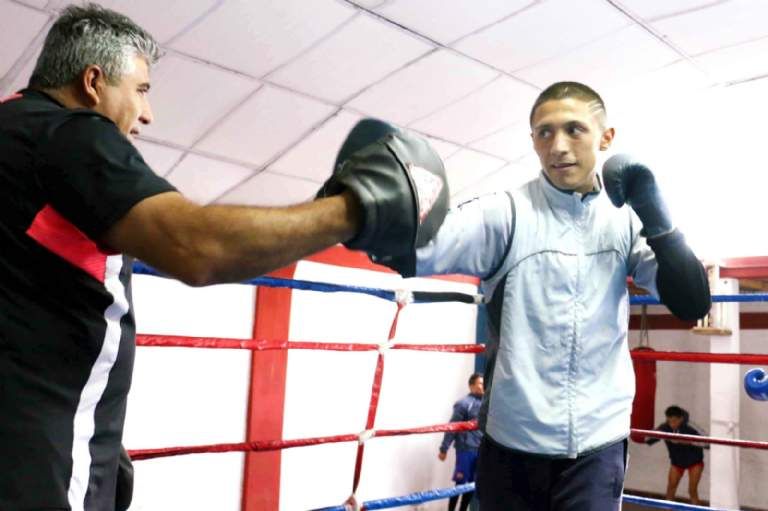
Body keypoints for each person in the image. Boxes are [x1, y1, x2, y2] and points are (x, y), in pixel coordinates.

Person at [0, 4, 448, 510]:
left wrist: (102, 428)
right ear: (93, 81)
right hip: (42, 471)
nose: (147, 114)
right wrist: (356, 208)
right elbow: (196, 248)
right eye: (141, 90)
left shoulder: (11, 130)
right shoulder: (69, 134)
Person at [416, 81, 711, 510]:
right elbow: (421, 249)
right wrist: (380, 211)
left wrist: (656, 214)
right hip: (512, 439)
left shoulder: (624, 221)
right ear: (533, 141)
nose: (558, 146)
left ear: (606, 138)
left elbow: (692, 302)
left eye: (574, 129)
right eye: (545, 132)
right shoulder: (506, 213)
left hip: (596, 443)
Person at [439, 373, 484, 511]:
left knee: (472, 484)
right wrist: (444, 448)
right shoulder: (464, 404)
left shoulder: (486, 405)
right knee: (460, 483)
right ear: (471, 386)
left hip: (480, 450)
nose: (483, 386)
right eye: (480, 383)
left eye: (484, 383)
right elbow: (453, 426)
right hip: (465, 449)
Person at [646, 406, 707, 505]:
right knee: (671, 488)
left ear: (681, 418)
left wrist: (687, 441)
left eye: (674, 421)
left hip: (695, 462)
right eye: (669, 421)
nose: (672, 424)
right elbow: (647, 439)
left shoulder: (690, 426)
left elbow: (707, 442)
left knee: (692, 490)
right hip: (677, 462)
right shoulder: (665, 427)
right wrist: (657, 433)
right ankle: (667, 508)